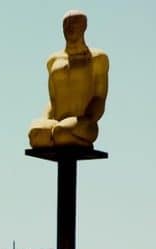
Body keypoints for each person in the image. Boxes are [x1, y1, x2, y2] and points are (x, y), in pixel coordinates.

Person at [28, 10, 109, 148]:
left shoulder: (97, 58)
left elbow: (99, 98)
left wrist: (87, 120)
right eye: (66, 24)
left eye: (75, 23)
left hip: (83, 124)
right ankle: (57, 135)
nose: (70, 27)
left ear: (84, 26)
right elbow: (53, 100)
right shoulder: (53, 61)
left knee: (62, 133)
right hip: (57, 122)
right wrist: (45, 120)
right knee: (36, 133)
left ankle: (71, 137)